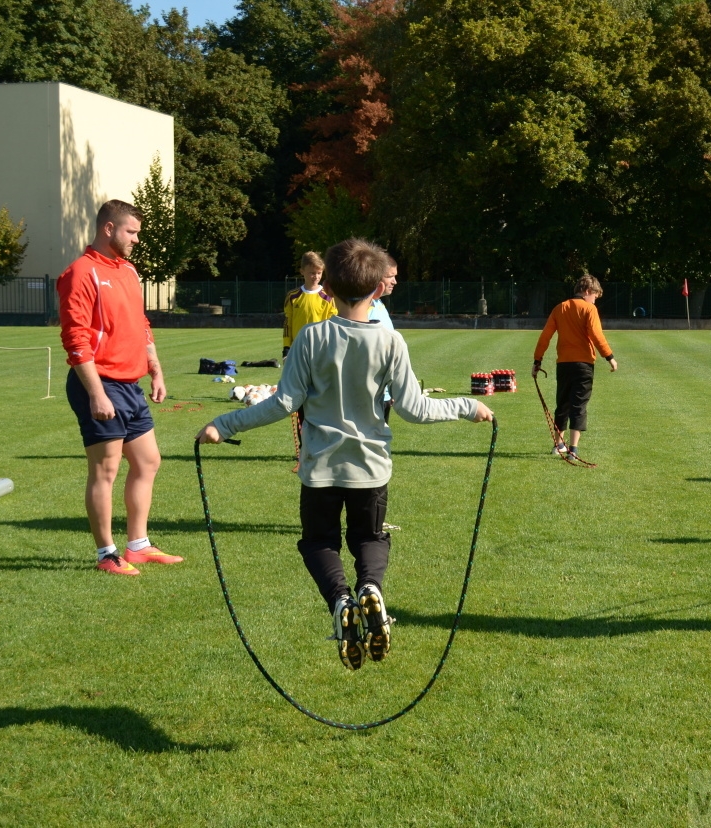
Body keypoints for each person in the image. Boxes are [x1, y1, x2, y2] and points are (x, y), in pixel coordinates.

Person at [197, 239, 493, 670]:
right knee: (369, 539)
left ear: (328, 289)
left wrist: (223, 424)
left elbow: (282, 403)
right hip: (370, 471)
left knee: (319, 542)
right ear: (377, 290)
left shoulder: (312, 337)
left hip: (319, 470)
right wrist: (468, 406)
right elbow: (416, 409)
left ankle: (340, 599)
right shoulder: (390, 341)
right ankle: (370, 588)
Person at [58, 200, 180, 575]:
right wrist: (96, 393)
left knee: (148, 461)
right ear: (108, 228)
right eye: (132, 231)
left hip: (130, 384)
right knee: (105, 470)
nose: (137, 239)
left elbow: (140, 323)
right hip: (99, 382)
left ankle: (138, 545)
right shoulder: (80, 272)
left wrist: (155, 368)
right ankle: (106, 555)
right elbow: (75, 338)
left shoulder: (127, 270)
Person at [531, 275, 618, 458]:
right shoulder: (589, 309)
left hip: (563, 363)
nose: (595, 300)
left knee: (562, 403)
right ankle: (574, 449)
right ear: (587, 291)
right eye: (594, 296)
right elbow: (596, 335)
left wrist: (537, 361)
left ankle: (558, 445)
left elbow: (545, 337)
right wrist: (609, 357)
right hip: (584, 364)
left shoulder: (559, 308)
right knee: (579, 405)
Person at [282, 251, 335, 359]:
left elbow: (333, 324)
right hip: (298, 349)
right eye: (312, 273)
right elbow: (288, 323)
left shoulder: (329, 296)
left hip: (321, 349)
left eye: (319, 273)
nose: (316, 276)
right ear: (302, 271)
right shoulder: (292, 296)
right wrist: (286, 347)